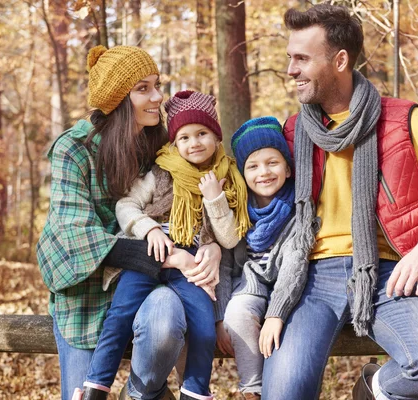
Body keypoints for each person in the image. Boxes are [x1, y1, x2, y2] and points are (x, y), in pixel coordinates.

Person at [260, 4, 418, 400]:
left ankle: (374, 387)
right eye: (289, 58)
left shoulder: (403, 121)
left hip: (389, 273)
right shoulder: (293, 131)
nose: (290, 70)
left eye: (301, 58)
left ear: (340, 60)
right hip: (312, 278)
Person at [37, 45, 222, 400]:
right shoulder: (74, 149)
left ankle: (139, 392)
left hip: (148, 283)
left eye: (156, 85)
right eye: (143, 89)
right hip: (87, 292)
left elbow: (197, 200)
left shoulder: (163, 145)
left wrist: (210, 246)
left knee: (167, 319)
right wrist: (173, 256)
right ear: (118, 99)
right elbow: (74, 235)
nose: (157, 97)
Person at [75, 90, 250, 400]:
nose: (193, 142)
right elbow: (126, 205)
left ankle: (195, 392)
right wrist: (149, 228)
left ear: (216, 136)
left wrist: (215, 199)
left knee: (204, 328)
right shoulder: (160, 172)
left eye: (202, 133)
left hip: (191, 264)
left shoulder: (227, 177)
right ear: (174, 142)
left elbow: (229, 237)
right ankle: (95, 387)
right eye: (184, 137)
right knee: (120, 315)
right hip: (149, 255)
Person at [215, 117, 318, 400]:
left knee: (294, 333)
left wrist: (276, 313)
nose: (264, 172)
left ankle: (283, 387)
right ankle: (253, 391)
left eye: (272, 162)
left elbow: (295, 264)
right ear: (243, 173)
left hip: (293, 291)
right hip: (250, 284)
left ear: (287, 167)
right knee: (237, 314)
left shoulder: (300, 206)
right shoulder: (238, 209)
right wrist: (219, 317)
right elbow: (224, 266)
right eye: (253, 166)